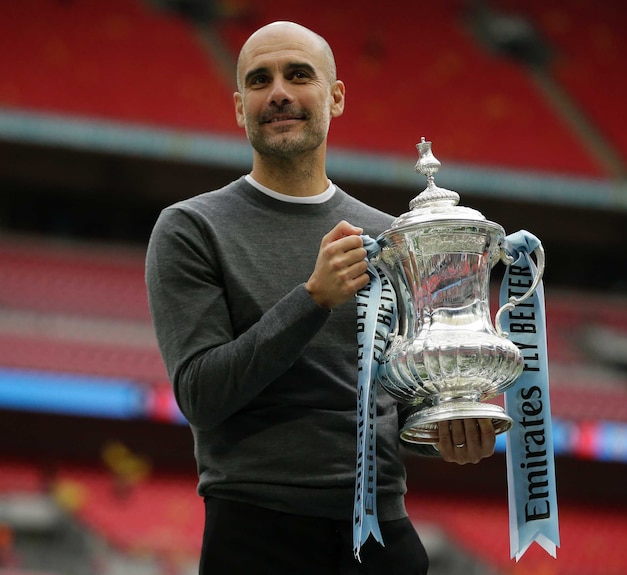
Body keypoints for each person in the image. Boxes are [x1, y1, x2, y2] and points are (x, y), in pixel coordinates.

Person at [145, 21, 496, 575]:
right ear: (240, 108)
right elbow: (201, 395)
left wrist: (448, 428)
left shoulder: (391, 236)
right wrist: (312, 299)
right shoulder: (191, 228)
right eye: (260, 80)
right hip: (257, 535)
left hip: (383, 535)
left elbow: (401, 402)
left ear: (335, 97)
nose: (279, 91)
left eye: (298, 74)